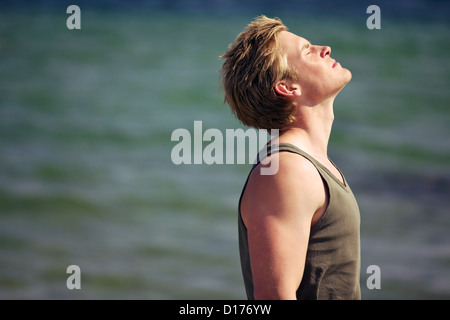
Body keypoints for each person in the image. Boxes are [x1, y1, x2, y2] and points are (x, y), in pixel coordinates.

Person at [220, 15, 361, 300]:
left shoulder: (309, 164)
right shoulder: (288, 170)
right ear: (287, 87)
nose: (326, 49)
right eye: (307, 51)